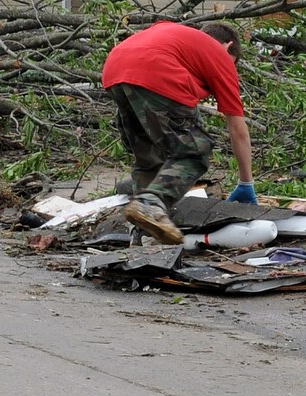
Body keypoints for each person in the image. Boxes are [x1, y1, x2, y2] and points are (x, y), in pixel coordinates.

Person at [101, 20, 256, 245]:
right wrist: (246, 183)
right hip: (155, 72)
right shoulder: (219, 55)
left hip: (115, 68)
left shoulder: (176, 36)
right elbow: (238, 128)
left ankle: (144, 235)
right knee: (195, 150)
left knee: (149, 157)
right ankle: (151, 204)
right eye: (233, 62)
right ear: (227, 46)